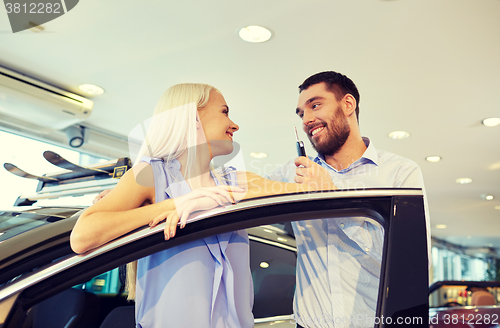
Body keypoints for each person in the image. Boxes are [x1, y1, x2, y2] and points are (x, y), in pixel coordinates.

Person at [70, 83, 317, 328]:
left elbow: (310, 196)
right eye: (224, 112)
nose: (234, 125)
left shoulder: (236, 181)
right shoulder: (149, 175)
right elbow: (82, 236)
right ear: (193, 117)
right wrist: (176, 204)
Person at [267, 71, 431, 328]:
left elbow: (410, 268)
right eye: (301, 113)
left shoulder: (400, 172)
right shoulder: (294, 173)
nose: (307, 119)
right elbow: (239, 186)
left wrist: (332, 198)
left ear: (348, 104)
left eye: (315, 105)